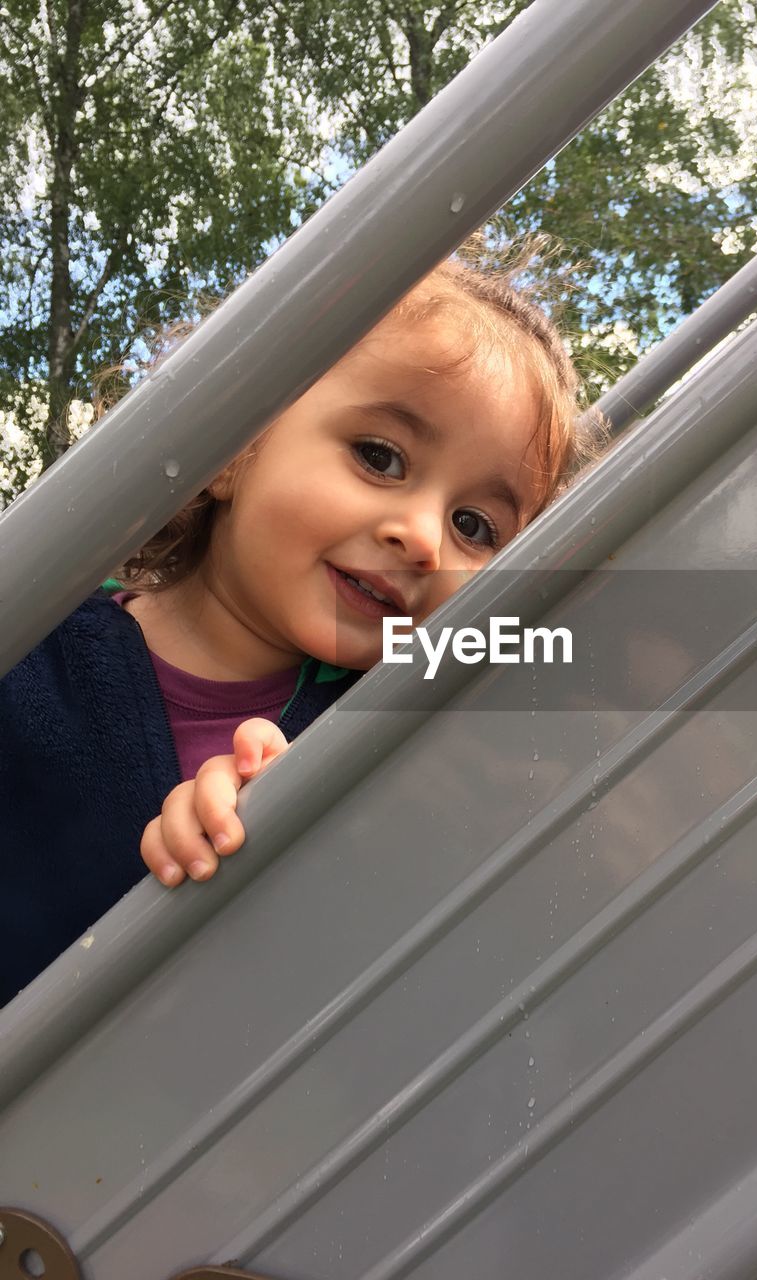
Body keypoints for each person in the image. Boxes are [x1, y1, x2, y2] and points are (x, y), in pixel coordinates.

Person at [0, 241, 606, 1006]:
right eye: (380, 457)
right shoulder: (32, 637)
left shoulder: (392, 761)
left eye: (475, 527)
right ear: (233, 447)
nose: (424, 539)